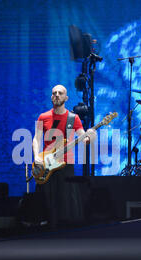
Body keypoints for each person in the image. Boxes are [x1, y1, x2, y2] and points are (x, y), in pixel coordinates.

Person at [32, 84, 96, 229]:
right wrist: (36, 156)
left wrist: (91, 136)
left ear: (66, 97)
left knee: (65, 200)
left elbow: (83, 138)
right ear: (51, 97)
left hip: (65, 164)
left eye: (60, 93)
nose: (56, 95)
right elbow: (36, 138)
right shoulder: (43, 116)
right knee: (46, 200)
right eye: (54, 93)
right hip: (46, 164)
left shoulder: (73, 118)